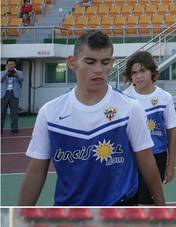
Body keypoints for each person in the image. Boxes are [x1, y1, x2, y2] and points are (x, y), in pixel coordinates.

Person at [18, 30, 165, 206]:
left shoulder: (130, 108)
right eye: (90, 62)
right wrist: (19, 216)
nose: (98, 70)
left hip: (120, 211)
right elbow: (36, 171)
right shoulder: (50, 113)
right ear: (72, 63)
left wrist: (161, 208)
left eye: (104, 62)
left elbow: (146, 161)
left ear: (112, 63)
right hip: (70, 213)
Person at [123, 51, 176, 205]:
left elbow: (172, 132)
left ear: (152, 72)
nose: (138, 76)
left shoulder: (165, 98)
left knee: (148, 201)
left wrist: (171, 165)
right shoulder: (124, 98)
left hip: (157, 157)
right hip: (131, 159)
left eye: (142, 71)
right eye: (134, 73)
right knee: (131, 201)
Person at [1, 58, 24, 134]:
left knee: (14, 113)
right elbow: (0, 79)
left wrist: (16, 75)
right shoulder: (2, 72)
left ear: (15, 65)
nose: (11, 66)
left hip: (14, 94)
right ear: (7, 65)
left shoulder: (19, 72)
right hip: (4, 94)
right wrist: (6, 73)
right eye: (9, 64)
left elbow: (21, 80)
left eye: (12, 64)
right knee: (2, 112)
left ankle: (14, 128)